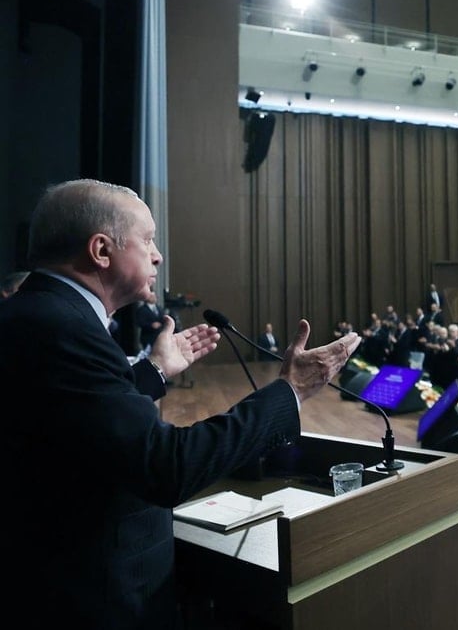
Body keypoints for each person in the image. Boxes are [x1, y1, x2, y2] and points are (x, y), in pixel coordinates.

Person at [0, 179, 362, 629]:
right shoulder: (63, 329)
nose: (158, 256)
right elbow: (166, 466)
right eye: (148, 240)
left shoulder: (33, 314)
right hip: (91, 599)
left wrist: (154, 371)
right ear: (101, 250)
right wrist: (292, 390)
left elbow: (79, 421)